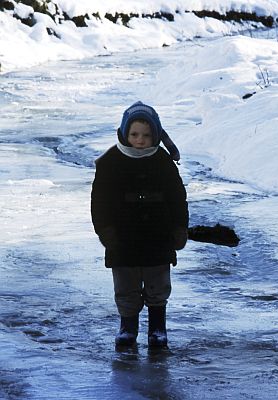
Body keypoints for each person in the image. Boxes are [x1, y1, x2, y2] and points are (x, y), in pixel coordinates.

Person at [91, 101, 188, 348]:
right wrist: (106, 232)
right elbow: (99, 201)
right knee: (126, 285)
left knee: (158, 283)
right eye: (134, 134)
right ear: (125, 133)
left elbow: (178, 198)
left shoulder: (163, 161)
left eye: (146, 135)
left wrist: (179, 228)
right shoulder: (110, 161)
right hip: (123, 238)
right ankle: (127, 327)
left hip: (158, 235)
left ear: (155, 136)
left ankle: (158, 328)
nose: (140, 140)